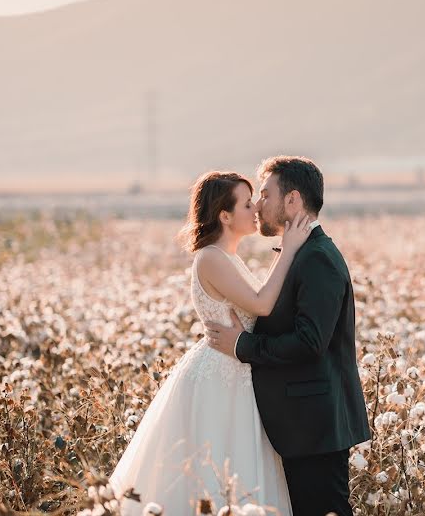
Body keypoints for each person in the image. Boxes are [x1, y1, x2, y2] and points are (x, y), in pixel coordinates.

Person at [109, 170, 312, 515]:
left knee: (235, 468)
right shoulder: (212, 258)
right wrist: (289, 250)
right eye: (247, 204)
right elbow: (262, 303)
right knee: (216, 468)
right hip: (220, 377)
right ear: (225, 215)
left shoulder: (227, 257)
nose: (256, 210)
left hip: (235, 371)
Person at [206, 155, 372, 516]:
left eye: (265, 194)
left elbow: (310, 342)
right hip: (300, 423)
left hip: (315, 424)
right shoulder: (300, 252)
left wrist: (242, 346)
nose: (258, 205)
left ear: (293, 200)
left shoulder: (317, 258)